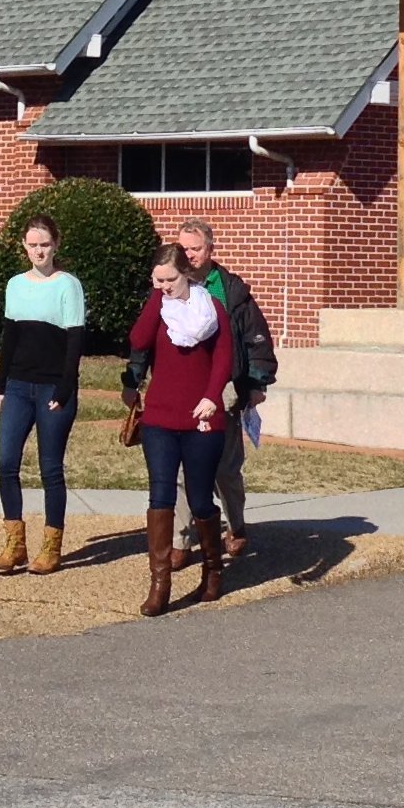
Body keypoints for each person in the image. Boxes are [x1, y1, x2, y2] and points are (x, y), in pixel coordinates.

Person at [125, 245, 235, 616]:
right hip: (159, 418)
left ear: (187, 272)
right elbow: (138, 340)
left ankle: (213, 570)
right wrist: (156, 302)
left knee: (201, 498)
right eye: (158, 280)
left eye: (170, 279)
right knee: (160, 495)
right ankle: (160, 584)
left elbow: (224, 357)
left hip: (201, 417)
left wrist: (212, 396)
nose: (165, 286)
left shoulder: (210, 308)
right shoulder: (160, 307)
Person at [171, 217, 277, 564]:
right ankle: (181, 540)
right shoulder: (170, 285)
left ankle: (236, 525)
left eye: (195, 249)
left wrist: (257, 382)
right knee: (183, 469)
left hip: (226, 390)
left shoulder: (230, 289)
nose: (189, 255)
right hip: (185, 388)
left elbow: (256, 338)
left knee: (225, 469)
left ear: (210, 249)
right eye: (183, 248)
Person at [0, 214, 85, 576]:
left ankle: (51, 547)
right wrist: (1, 385)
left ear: (56, 245)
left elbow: (75, 341)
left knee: (50, 469)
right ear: (24, 245)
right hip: (17, 386)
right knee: (6, 464)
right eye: (32, 244)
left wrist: (64, 390)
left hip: (52, 388)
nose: (38, 251)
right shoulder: (15, 284)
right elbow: (9, 337)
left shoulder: (68, 286)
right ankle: (15, 543)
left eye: (44, 244)